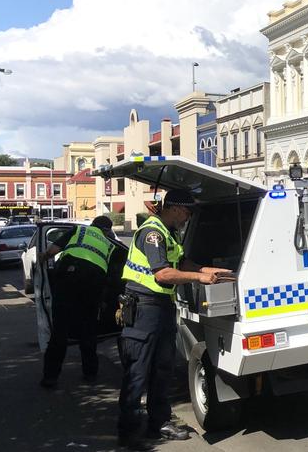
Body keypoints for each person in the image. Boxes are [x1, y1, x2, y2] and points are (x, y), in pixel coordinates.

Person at [117, 189, 228, 448]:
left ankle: (159, 424)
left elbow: (182, 263)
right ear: (176, 208)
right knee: (138, 372)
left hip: (160, 308)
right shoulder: (152, 232)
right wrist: (200, 278)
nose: (188, 218)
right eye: (187, 212)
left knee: (162, 370)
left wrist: (212, 271)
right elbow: (163, 275)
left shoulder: (169, 233)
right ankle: (129, 433)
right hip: (144, 309)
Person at [38, 215, 116, 388]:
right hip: (93, 283)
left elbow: (54, 249)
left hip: (69, 277)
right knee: (88, 329)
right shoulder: (109, 244)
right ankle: (90, 374)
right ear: (107, 230)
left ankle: (50, 377)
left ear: (93, 225)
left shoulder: (80, 230)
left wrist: (43, 257)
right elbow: (109, 273)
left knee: (60, 330)